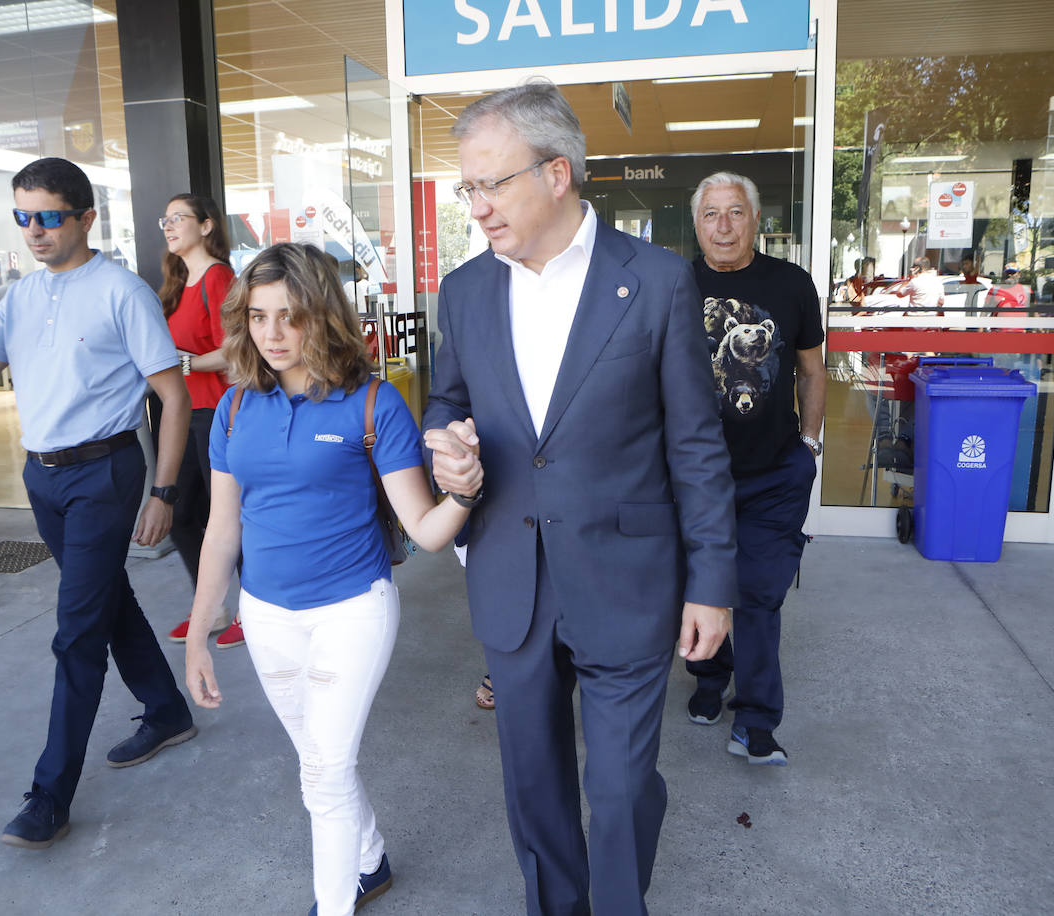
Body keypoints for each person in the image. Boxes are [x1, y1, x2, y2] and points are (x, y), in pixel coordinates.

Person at [424, 80, 737, 916]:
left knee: (623, 783)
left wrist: (711, 583)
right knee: (533, 783)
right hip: (511, 575)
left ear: (557, 174)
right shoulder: (465, 291)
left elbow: (696, 447)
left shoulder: (658, 282)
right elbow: (445, 401)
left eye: (491, 184)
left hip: (626, 575)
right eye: (469, 188)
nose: (476, 207)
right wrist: (445, 445)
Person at [183, 243, 481, 916]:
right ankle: (369, 861)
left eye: (290, 316)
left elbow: (426, 530)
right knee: (323, 763)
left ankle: (334, 904)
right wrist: (200, 631)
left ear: (323, 315)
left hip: (353, 612)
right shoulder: (233, 409)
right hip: (266, 617)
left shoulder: (373, 405)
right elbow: (222, 531)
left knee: (322, 773)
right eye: (258, 318)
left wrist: (463, 492)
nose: (273, 334)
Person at [0, 157, 196, 850]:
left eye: (49, 216)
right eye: (23, 216)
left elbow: (172, 397)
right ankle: (166, 709)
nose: (34, 230)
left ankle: (50, 794)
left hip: (105, 473)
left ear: (85, 217)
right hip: (43, 478)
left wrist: (164, 491)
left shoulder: (121, 291)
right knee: (103, 600)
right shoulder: (21, 298)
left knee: (76, 631)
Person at [685, 171, 826, 766]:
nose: (723, 225)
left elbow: (813, 371)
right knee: (701, 586)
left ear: (755, 219)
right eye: (711, 212)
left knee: (759, 596)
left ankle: (759, 719)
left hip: (773, 474)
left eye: (735, 212)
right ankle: (711, 681)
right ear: (696, 223)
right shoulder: (671, 285)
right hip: (694, 478)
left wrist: (810, 445)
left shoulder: (792, 284)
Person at [155, 193, 245, 649]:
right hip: (183, 413)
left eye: (179, 219)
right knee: (181, 514)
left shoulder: (217, 277)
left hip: (216, 410)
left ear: (207, 226)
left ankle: (252, 611)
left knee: (229, 516)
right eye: (165, 220)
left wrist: (184, 366)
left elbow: (235, 346)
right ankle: (210, 608)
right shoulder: (176, 282)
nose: (169, 227)